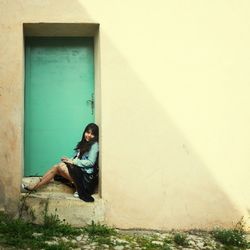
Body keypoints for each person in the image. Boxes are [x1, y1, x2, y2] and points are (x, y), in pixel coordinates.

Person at [22, 123, 99, 202]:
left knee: (59, 166)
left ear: (95, 136)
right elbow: (78, 158)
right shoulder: (84, 143)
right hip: (79, 173)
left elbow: (90, 162)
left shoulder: (94, 145)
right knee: (56, 167)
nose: (89, 135)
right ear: (84, 132)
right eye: (87, 132)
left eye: (92, 134)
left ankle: (80, 189)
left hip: (85, 179)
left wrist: (73, 161)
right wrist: (69, 160)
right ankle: (34, 186)